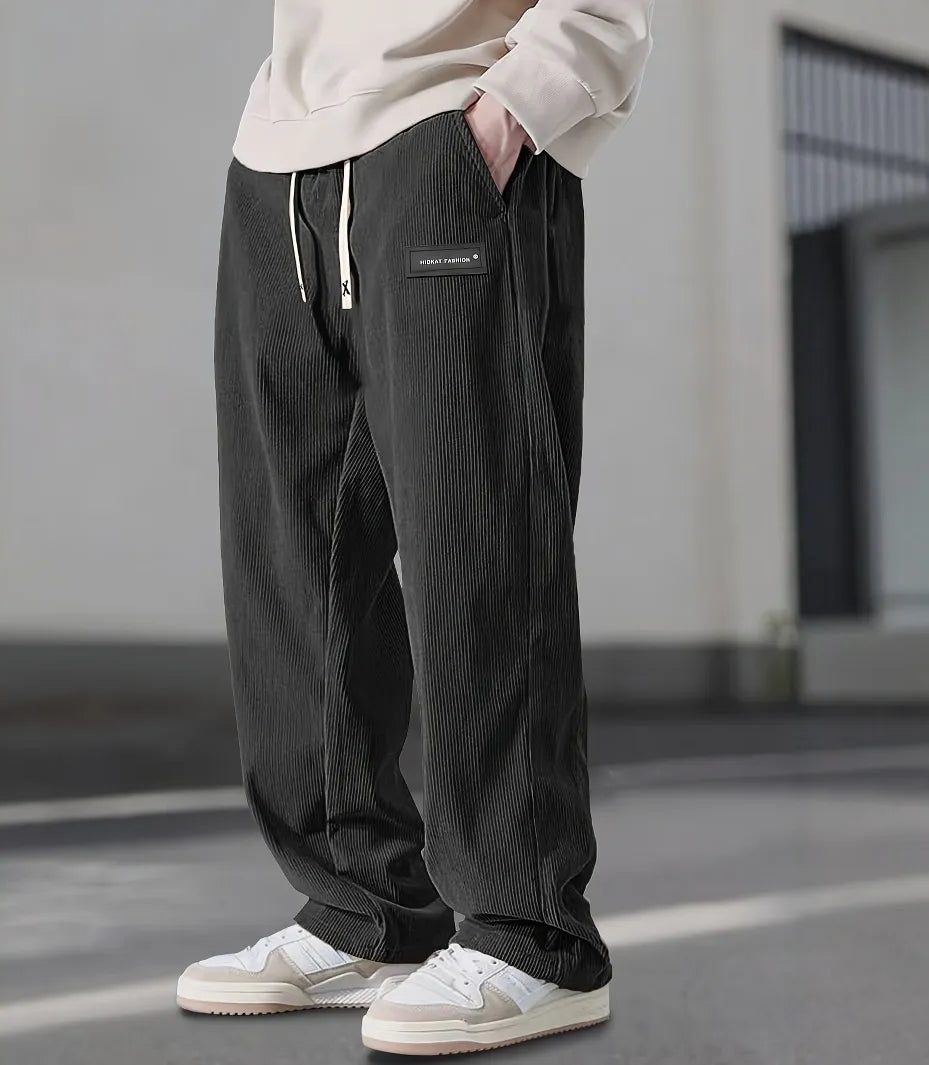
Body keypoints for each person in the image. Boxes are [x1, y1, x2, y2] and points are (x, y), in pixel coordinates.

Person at [177, 0, 655, 1055]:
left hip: (445, 139)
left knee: (477, 542)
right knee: (291, 559)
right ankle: (364, 910)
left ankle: (532, 935)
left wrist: (508, 112)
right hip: (279, 163)